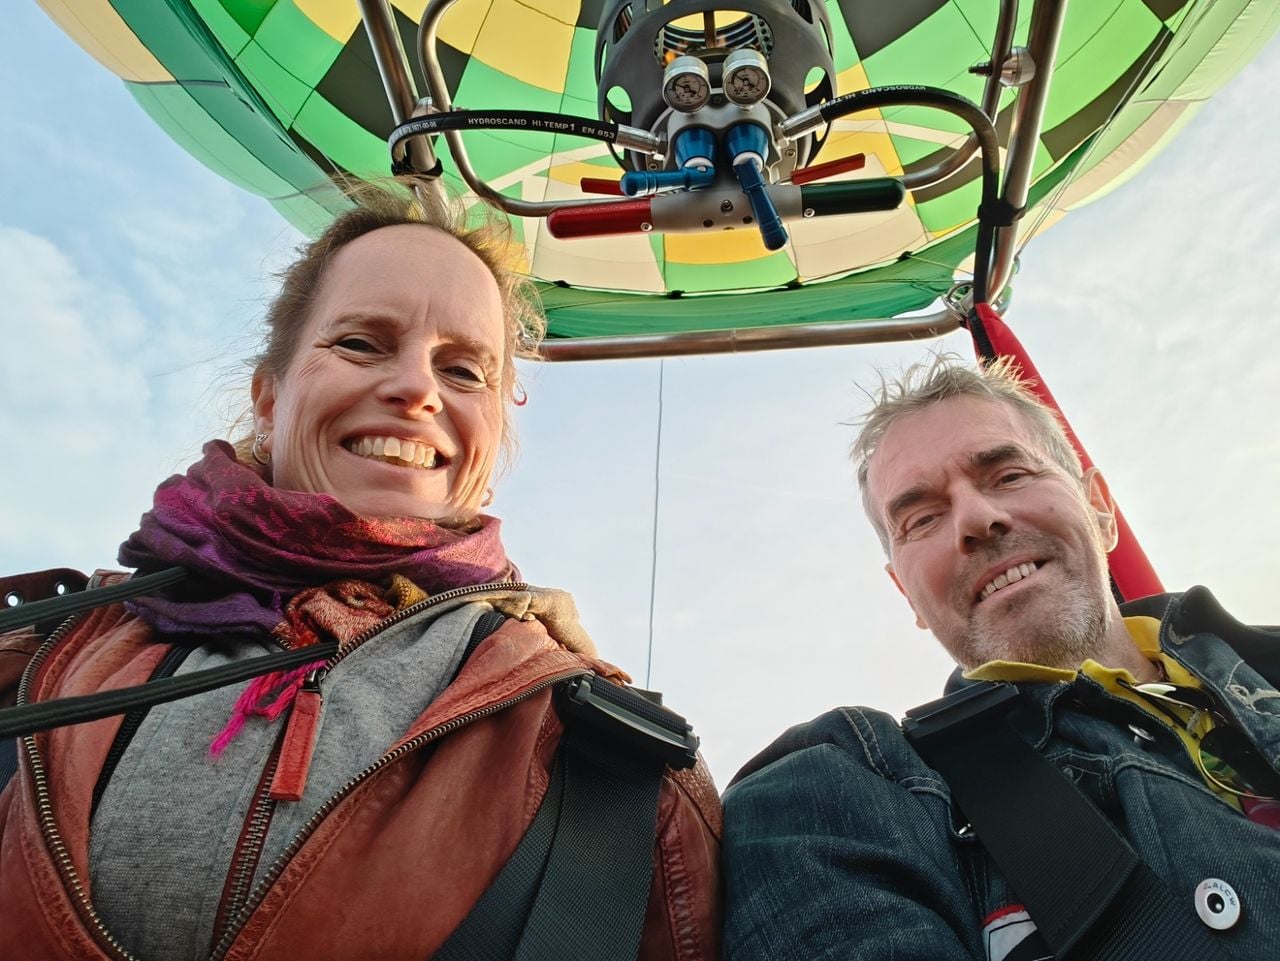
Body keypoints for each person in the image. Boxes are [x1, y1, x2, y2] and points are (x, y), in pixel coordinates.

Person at [0, 179, 721, 961]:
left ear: (493, 441)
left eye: (464, 370)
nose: (415, 388)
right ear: (268, 400)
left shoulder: (614, 762)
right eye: (361, 343)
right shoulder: (37, 653)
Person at [722, 353, 1280, 961]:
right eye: (923, 518)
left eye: (1009, 476)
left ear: (1100, 508)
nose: (977, 519)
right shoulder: (847, 793)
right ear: (906, 593)